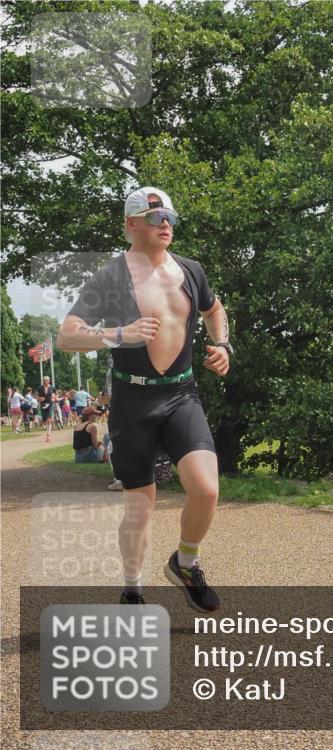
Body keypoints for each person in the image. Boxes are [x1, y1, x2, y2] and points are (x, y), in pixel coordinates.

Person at [57, 186, 233, 610]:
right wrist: (118, 334)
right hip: (132, 402)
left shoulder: (191, 270)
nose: (165, 224)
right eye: (155, 218)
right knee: (140, 506)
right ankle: (133, 588)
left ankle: (185, 563)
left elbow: (214, 310)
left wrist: (223, 346)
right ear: (131, 225)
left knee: (206, 489)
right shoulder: (109, 277)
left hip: (181, 395)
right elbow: (67, 335)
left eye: (169, 217)